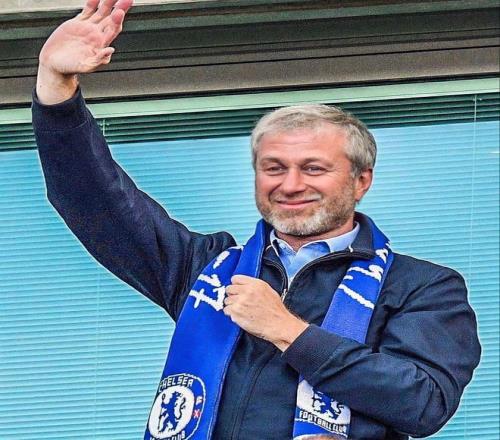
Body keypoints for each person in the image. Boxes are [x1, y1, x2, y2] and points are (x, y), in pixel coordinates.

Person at [32, 1, 481, 439]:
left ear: (361, 181)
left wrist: (289, 331)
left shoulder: (421, 287)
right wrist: (56, 87)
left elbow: (422, 402)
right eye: (273, 168)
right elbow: (96, 202)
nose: (291, 184)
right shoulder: (206, 268)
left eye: (313, 168)